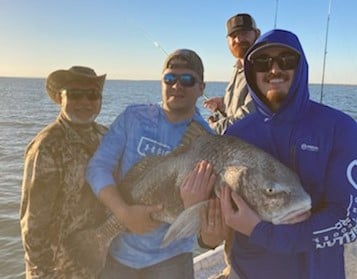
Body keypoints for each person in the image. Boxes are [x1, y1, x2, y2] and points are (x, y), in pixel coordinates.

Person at [221, 29, 357, 279]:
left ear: (301, 67)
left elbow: (347, 221)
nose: (274, 69)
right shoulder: (235, 133)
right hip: (245, 271)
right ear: (251, 71)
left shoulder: (340, 128)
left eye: (286, 60)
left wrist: (262, 232)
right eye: (262, 62)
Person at [86, 49, 225, 279]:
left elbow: (210, 212)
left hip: (173, 257)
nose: (177, 86)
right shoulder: (133, 118)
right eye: (170, 78)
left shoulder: (207, 141)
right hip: (118, 253)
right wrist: (124, 213)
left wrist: (209, 228)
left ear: (201, 87)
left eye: (187, 80)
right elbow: (98, 167)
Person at [20, 66, 108, 278]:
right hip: (60, 270)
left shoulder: (106, 136)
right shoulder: (47, 147)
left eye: (92, 94)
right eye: (76, 94)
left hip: (101, 263)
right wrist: (43, 273)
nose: (85, 102)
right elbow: (33, 224)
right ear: (60, 98)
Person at [203, 13, 260, 134]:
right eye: (233, 36)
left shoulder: (262, 69)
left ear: (257, 34)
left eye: (244, 33)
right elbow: (242, 104)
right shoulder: (238, 67)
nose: (238, 40)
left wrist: (212, 128)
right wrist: (223, 103)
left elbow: (248, 119)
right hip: (232, 147)